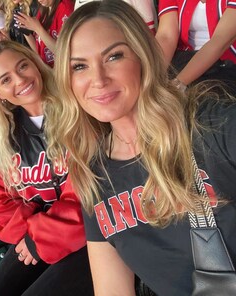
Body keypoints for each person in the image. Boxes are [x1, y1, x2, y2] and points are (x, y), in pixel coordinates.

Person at [52, 1, 236, 295]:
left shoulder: (211, 126)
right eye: (80, 66)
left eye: (114, 56)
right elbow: (112, 288)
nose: (98, 80)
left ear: (143, 56)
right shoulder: (94, 175)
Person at [0, 40, 93, 296]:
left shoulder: (77, 111)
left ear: (36, 64)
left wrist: (41, 234)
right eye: (5, 80)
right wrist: (36, 229)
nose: (20, 80)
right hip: (36, 233)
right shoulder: (3, 137)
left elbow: (89, 195)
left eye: (23, 66)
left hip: (91, 235)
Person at [155, 0, 236, 90]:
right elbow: (166, 37)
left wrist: (179, 83)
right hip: (185, 59)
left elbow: (220, 40)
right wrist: (154, 77)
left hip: (225, 64)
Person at [13, 0, 73, 67]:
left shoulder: (65, 8)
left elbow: (64, 52)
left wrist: (37, 28)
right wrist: (25, 30)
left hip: (61, 70)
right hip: (48, 71)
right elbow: (38, 52)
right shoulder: (43, 9)